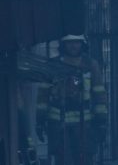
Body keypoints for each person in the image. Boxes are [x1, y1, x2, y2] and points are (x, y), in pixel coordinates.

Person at [36, 34, 107, 165]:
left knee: (85, 159)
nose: (73, 46)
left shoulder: (90, 65)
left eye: (76, 42)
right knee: (62, 159)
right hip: (58, 123)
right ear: (63, 45)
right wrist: (40, 119)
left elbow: (99, 93)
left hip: (84, 124)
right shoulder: (52, 66)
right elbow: (43, 95)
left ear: (82, 44)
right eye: (69, 42)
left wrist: (101, 120)